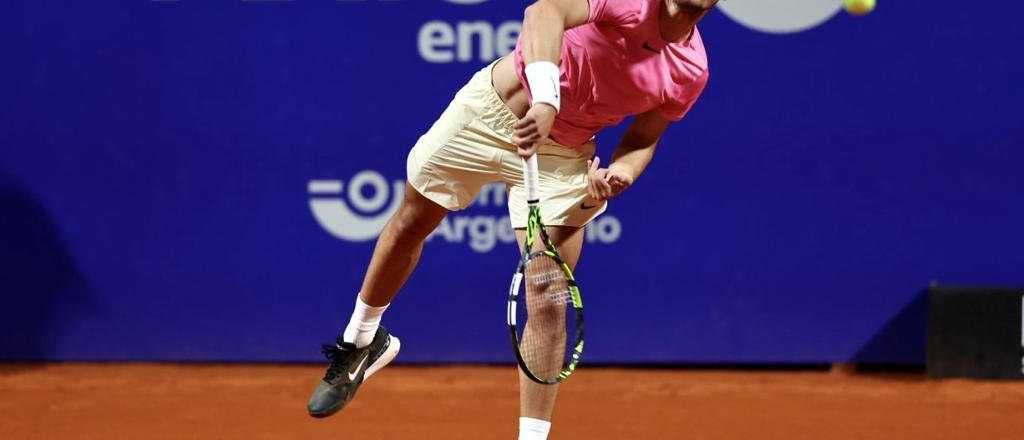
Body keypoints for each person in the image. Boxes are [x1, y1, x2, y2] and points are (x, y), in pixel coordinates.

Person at [307, 0, 718, 438]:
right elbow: (544, 12)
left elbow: (643, 137)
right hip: (491, 114)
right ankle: (361, 340)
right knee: (413, 220)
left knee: (548, 290)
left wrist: (621, 173)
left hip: (563, 155)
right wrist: (546, 100)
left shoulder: (690, 70)